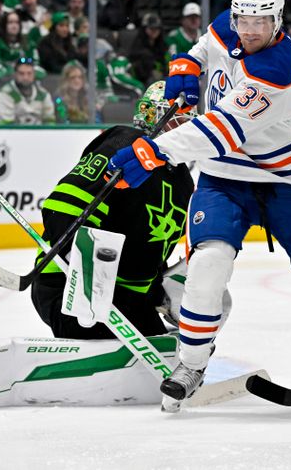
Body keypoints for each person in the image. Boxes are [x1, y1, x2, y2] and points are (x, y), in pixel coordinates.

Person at [107, 0, 291, 405]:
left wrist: (155, 151)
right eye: (242, 18)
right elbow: (202, 49)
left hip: (285, 181)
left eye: (260, 21)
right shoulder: (229, 25)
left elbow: (220, 131)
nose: (248, 29)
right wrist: (186, 67)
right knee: (207, 267)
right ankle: (191, 363)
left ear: (278, 20)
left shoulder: (279, 68)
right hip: (225, 179)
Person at [30, 80, 194, 339]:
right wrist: (77, 254)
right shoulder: (125, 145)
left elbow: (151, 249)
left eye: (188, 122)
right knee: (133, 352)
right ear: (155, 115)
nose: (186, 129)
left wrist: (159, 292)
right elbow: (64, 203)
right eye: (179, 120)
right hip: (70, 286)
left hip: (126, 300)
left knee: (173, 351)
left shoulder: (183, 179)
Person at [0, 57, 54, 125]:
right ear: (15, 74)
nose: (25, 77)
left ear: (34, 74)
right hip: (11, 134)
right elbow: (6, 128)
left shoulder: (43, 95)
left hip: (39, 135)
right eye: (21, 73)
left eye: (29, 73)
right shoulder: (3, 95)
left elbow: (50, 123)